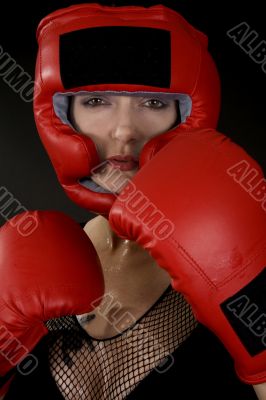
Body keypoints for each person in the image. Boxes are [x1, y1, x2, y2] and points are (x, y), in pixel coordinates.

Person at [0, 3, 265, 400]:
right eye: (95, 101)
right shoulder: (13, 265)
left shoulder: (253, 252)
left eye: (154, 103)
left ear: (187, 117)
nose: (124, 130)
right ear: (61, 116)